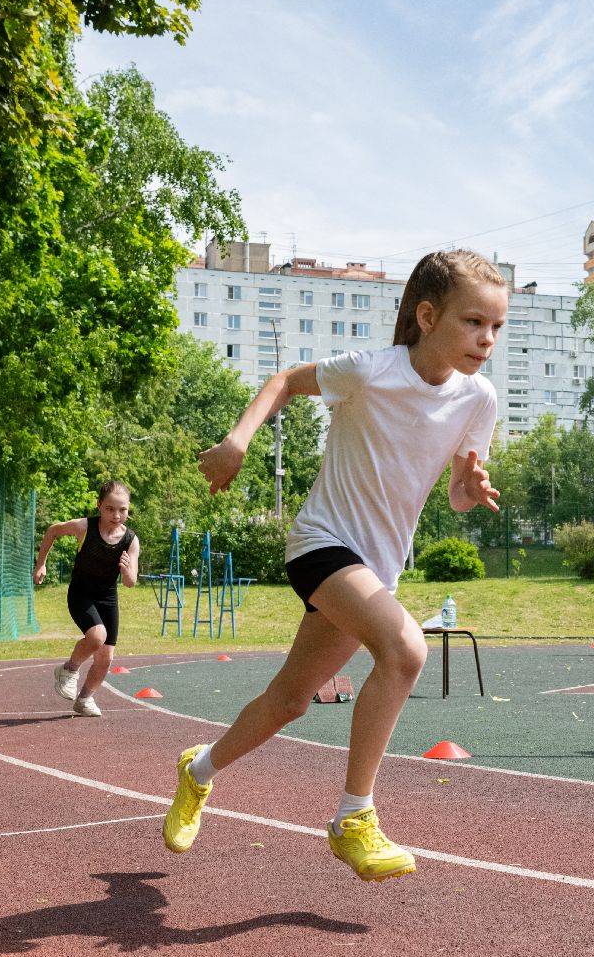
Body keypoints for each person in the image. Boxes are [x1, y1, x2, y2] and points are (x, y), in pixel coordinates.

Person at [163, 249, 504, 880]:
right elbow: (286, 381)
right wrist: (238, 442)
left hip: (375, 569)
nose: (486, 340)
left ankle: (198, 769)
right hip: (321, 543)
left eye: (496, 328)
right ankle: (354, 818)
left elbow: (455, 494)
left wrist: (472, 489)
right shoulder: (371, 371)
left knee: (290, 701)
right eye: (473, 322)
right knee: (405, 651)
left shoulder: (478, 399)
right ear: (427, 316)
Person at [33, 481, 140, 718]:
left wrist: (126, 571)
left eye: (122, 510)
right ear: (99, 506)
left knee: (106, 657)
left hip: (107, 598)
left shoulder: (130, 540)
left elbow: (131, 582)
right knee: (97, 636)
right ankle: (68, 670)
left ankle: (84, 699)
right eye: (110, 508)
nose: (116, 515)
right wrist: (41, 564)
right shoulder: (84, 527)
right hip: (81, 594)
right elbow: (52, 530)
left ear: (128, 509)